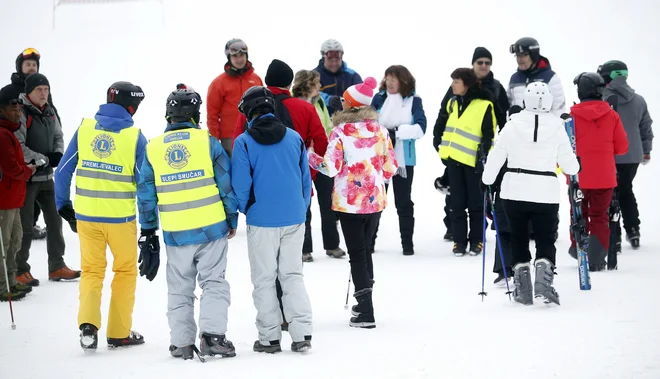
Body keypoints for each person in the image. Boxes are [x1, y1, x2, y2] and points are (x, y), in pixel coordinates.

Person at [138, 85, 238, 360]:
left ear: (168, 115)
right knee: (214, 283)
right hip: (212, 228)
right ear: (196, 115)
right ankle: (213, 337)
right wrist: (231, 218)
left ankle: (181, 342)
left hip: (176, 233)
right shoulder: (207, 142)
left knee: (180, 287)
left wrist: (148, 231)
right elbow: (225, 185)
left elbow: (146, 194)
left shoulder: (153, 147)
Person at [54, 81, 147, 350]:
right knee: (125, 271)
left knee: (93, 271)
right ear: (131, 106)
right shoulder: (135, 137)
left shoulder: (85, 129)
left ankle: (88, 327)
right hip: (120, 220)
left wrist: (64, 206)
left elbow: (62, 172)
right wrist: (149, 222)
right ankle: (119, 333)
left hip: (87, 217)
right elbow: (144, 184)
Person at [308, 78, 397, 329]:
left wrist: (310, 156)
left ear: (351, 104)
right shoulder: (381, 131)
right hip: (375, 200)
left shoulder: (340, 132)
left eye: (345, 99)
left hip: (349, 202)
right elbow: (390, 169)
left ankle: (366, 311)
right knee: (366, 251)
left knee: (357, 254)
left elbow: (331, 167)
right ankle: (363, 303)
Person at [482, 82, 580, 306]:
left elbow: (497, 156)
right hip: (545, 191)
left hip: (513, 190)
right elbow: (570, 166)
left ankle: (522, 287)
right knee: (546, 237)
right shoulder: (557, 127)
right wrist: (576, 166)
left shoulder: (512, 124)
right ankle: (544, 278)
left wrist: (487, 180)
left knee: (518, 237)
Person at [232, 86, 313, 353]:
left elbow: (241, 185)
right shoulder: (294, 137)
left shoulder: (243, 142)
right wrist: (301, 208)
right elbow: (304, 179)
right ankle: (302, 334)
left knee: (265, 279)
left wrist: (249, 209)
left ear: (248, 112)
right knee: (292, 276)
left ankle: (269, 338)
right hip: (294, 217)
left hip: (262, 219)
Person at [231, 60, 330, 262]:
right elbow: (321, 143)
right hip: (294, 182)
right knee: (301, 217)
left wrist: (245, 200)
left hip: (259, 192)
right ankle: (305, 250)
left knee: (266, 268)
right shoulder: (305, 108)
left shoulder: (250, 108)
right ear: (289, 82)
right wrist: (307, 173)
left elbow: (237, 146)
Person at [433, 47, 509, 241]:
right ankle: (453, 228)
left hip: (482, 152)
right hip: (455, 150)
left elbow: (502, 118)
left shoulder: (497, 87)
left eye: (487, 62)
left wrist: (500, 145)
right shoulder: (457, 85)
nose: (484, 66)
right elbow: (444, 112)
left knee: (481, 194)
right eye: (480, 62)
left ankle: (479, 232)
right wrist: (437, 136)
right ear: (473, 64)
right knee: (454, 194)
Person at [15, 73, 80, 286]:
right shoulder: (22, 112)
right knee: (25, 226)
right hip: (27, 178)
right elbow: (18, 146)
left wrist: (58, 154)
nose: (43, 93)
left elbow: (59, 136)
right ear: (29, 92)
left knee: (55, 220)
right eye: (39, 90)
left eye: (46, 89)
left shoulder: (50, 112)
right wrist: (44, 159)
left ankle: (57, 266)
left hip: (47, 178)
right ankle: (20, 269)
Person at [569, 73, 628, 271]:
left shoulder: (571, 116)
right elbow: (622, 148)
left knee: (578, 214)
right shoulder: (612, 115)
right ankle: (596, 258)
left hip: (578, 175)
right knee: (600, 216)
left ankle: (578, 246)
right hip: (605, 177)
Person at [438, 68, 496, 256]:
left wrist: (484, 154)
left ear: (467, 84)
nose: (453, 85)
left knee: (476, 204)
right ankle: (459, 241)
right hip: (454, 161)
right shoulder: (453, 104)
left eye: (456, 81)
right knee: (456, 203)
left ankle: (477, 240)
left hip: (473, 163)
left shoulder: (485, 105)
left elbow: (489, 133)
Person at [371, 65, 427, 255]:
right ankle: (369, 242)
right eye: (388, 78)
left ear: (404, 81)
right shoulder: (379, 98)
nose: (391, 82)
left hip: (404, 160)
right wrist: (384, 134)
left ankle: (407, 244)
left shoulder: (413, 100)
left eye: (395, 78)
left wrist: (398, 133)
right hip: (379, 158)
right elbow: (368, 124)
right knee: (376, 201)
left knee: (403, 202)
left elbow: (421, 128)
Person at [599, 61, 653, 250]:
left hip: (611, 155)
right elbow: (645, 126)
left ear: (608, 76)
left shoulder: (602, 99)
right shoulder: (638, 99)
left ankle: (615, 235)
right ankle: (633, 229)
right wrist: (646, 149)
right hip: (632, 155)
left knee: (611, 193)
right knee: (626, 190)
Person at [292, 69, 345, 262]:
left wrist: (332, 149)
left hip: (321, 160)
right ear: (307, 85)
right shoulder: (292, 103)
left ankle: (332, 245)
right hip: (300, 160)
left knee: (328, 203)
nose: (320, 87)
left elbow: (327, 127)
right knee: (304, 205)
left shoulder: (320, 102)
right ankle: (305, 249)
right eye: (316, 83)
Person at [9, 48, 53, 241]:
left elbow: (52, 117)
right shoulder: (10, 92)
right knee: (19, 196)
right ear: (20, 67)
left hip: (40, 163)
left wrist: (54, 152)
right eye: (28, 65)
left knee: (36, 199)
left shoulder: (41, 87)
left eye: (34, 65)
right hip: (17, 156)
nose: (31, 68)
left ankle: (31, 225)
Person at [0, 84, 37, 302]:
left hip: (13, 199)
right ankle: (3, 285)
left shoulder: (9, 133)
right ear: (2, 110)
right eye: (13, 107)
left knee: (15, 240)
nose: (17, 111)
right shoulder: (3, 135)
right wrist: (29, 170)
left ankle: (11, 281)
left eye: (19, 108)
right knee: (4, 245)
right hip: (4, 201)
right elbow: (11, 168)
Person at [206, 38, 263, 158]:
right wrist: (214, 140)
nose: (239, 59)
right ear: (229, 58)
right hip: (230, 137)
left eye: (242, 55)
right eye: (235, 56)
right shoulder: (218, 83)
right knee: (235, 170)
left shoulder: (256, 79)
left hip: (255, 132)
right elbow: (212, 114)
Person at [507, 37, 566, 116]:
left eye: (523, 55)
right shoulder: (514, 79)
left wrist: (557, 127)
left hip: (544, 126)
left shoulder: (550, 77)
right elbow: (508, 108)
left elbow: (559, 109)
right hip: (519, 126)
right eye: (517, 55)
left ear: (533, 55)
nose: (520, 59)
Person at [313, 39, 363, 115]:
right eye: (330, 61)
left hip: (347, 119)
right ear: (323, 58)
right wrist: (327, 99)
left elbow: (362, 94)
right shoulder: (313, 75)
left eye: (337, 60)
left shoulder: (352, 75)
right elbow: (306, 93)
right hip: (322, 119)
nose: (334, 64)